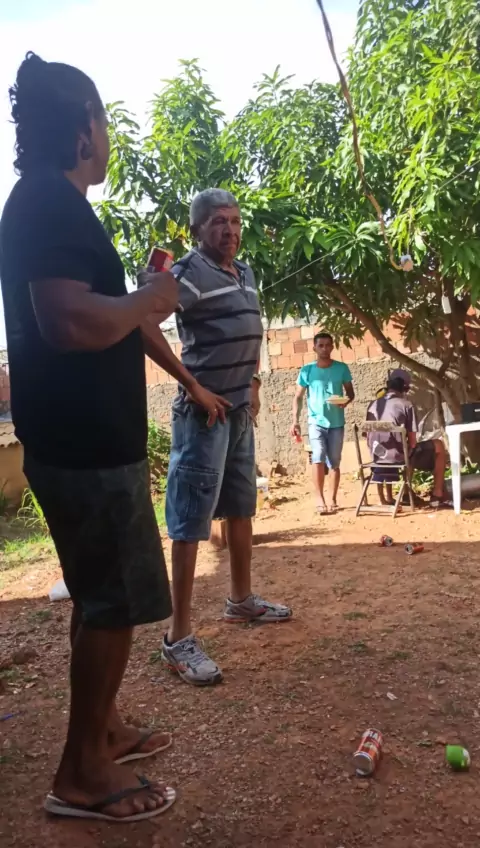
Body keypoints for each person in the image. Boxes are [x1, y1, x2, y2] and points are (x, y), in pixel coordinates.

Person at [0, 53, 229, 823]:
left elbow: (83, 311)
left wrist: (135, 303)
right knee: (114, 603)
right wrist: (148, 300)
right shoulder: (49, 203)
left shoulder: (43, 202)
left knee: (99, 597)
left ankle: (102, 729)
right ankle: (82, 773)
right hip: (87, 448)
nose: (107, 137)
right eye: (102, 120)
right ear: (82, 129)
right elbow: (69, 322)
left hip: (80, 441)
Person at [161, 188, 292, 687]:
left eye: (235, 222)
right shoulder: (187, 272)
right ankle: (177, 637)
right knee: (190, 521)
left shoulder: (245, 272)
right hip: (203, 417)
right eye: (218, 222)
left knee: (241, 507)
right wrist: (193, 386)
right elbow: (143, 327)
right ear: (198, 229)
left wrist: (253, 380)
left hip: (238, 412)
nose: (230, 231)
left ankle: (241, 600)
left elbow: (250, 330)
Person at [366, 369, 452, 508]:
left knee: (402, 449)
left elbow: (367, 435)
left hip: (376, 455)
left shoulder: (372, 404)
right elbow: (412, 441)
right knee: (437, 446)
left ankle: (403, 494)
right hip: (397, 457)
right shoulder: (406, 405)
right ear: (405, 388)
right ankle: (436, 493)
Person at [291, 332, 354, 514]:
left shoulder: (342, 368)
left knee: (334, 461)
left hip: (337, 423)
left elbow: (350, 393)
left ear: (332, 347)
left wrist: (345, 401)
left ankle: (332, 499)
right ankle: (319, 498)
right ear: (314, 348)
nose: (325, 349)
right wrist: (295, 420)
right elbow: (298, 396)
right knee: (317, 456)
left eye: (328, 345)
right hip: (316, 422)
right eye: (321, 345)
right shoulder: (307, 371)